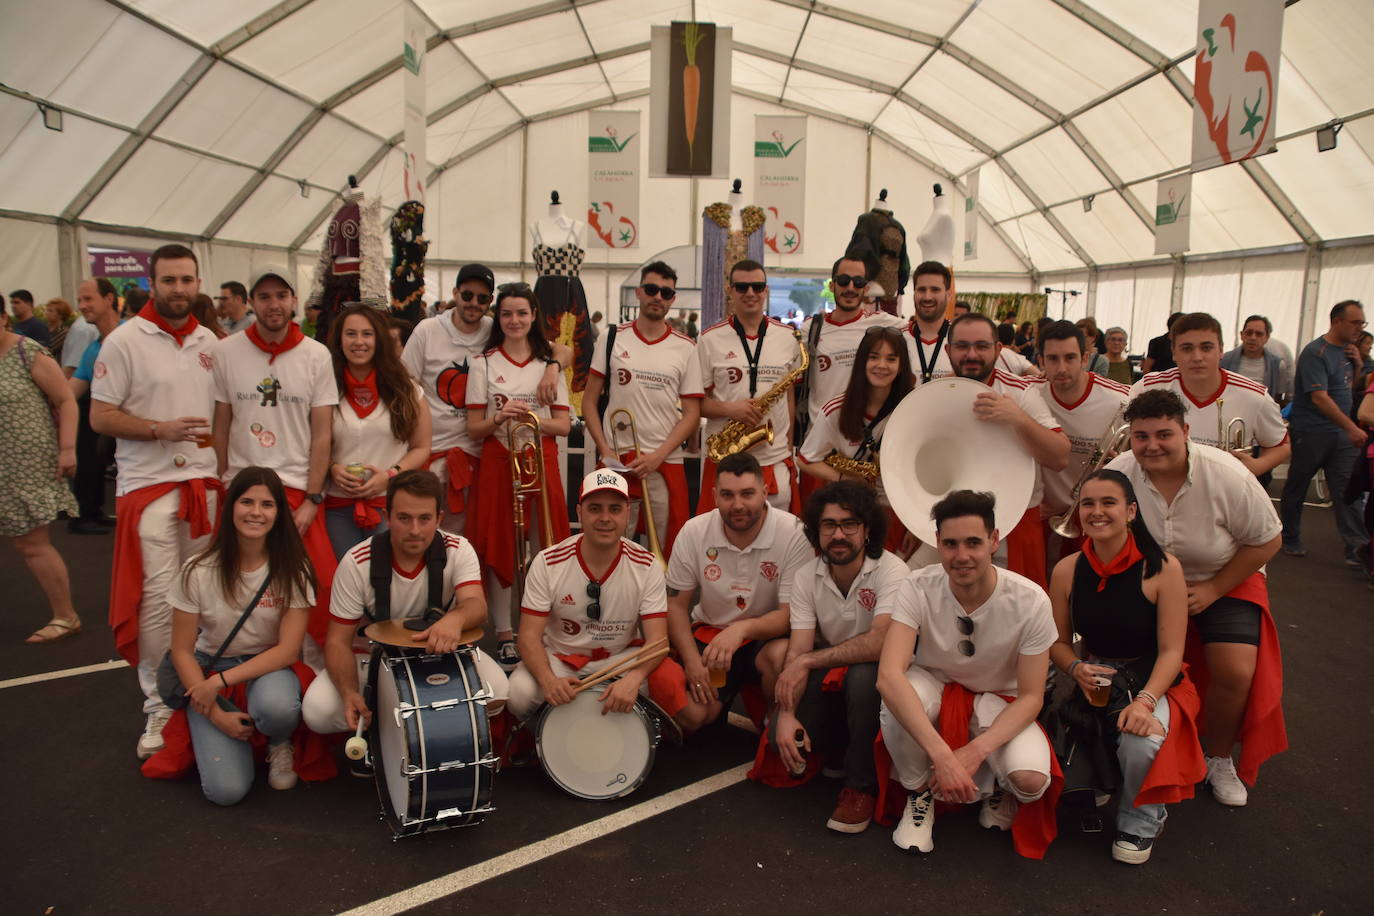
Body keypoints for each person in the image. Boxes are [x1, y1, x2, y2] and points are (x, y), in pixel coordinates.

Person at [1106, 390, 1285, 806]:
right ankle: (1113, 746)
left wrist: (1213, 589)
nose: (1151, 445)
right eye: (1141, 436)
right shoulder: (1118, 472)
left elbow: (1269, 540)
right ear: (1129, 438)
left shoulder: (1228, 474)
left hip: (1222, 577)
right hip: (1149, 581)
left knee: (1236, 670)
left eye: (1163, 434)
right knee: (1112, 659)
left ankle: (1219, 756)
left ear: (1186, 432)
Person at [91, 244, 223, 758]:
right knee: (158, 602)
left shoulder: (211, 340)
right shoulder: (124, 341)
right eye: (169, 281)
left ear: (197, 283)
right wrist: (157, 430)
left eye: (187, 280)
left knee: (204, 596)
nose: (179, 290)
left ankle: (203, 686)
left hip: (205, 489)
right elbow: (100, 416)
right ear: (152, 283)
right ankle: (158, 704)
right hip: (149, 489)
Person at [878, 490, 1057, 856]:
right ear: (938, 544)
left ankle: (1001, 789)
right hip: (936, 686)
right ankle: (919, 795)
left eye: (974, 542)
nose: (962, 556)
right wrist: (943, 756)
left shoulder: (1032, 599)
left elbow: (1032, 696)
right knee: (898, 697)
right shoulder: (917, 584)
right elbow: (888, 676)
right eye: (950, 544)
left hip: (998, 700)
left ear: (994, 541)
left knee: (1031, 781)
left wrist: (973, 752)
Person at [1047, 469, 1200, 864]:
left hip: (1154, 678)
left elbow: (1171, 652)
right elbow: (1058, 644)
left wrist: (1146, 702)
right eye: (1088, 503)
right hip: (1094, 676)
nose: (1097, 512)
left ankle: (1142, 819)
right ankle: (1100, 778)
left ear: (1131, 511)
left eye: (1108, 502)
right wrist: (1076, 669)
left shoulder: (1164, 569)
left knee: (1141, 740)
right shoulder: (1066, 571)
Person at [303, 469, 507, 744]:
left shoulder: (458, 548)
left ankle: (411, 730)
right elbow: (338, 641)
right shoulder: (357, 562)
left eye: (425, 519)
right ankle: (382, 727)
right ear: (387, 517)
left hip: (440, 656)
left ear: (439, 518)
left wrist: (454, 620)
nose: (414, 530)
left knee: (500, 692)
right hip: (375, 660)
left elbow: (476, 605)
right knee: (318, 711)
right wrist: (349, 692)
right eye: (404, 518)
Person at [507, 469, 714, 733]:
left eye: (615, 509)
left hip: (620, 657)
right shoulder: (548, 562)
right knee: (519, 694)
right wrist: (548, 680)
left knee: (682, 699)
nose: (605, 518)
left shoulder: (647, 565)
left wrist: (635, 678)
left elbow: (658, 642)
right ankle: (546, 738)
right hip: (562, 658)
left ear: (627, 513)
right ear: (580, 512)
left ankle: (635, 728)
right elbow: (528, 636)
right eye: (595, 508)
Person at [764, 481, 908, 834]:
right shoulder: (805, 576)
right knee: (776, 738)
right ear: (817, 531)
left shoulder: (892, 570)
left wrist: (807, 662)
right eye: (829, 525)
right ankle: (838, 746)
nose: (838, 534)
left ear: (867, 529)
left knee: (862, 677)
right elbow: (797, 649)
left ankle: (862, 787)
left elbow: (879, 642)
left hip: (879, 674)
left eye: (849, 524)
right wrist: (785, 715)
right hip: (830, 671)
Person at [168, 466, 315, 805]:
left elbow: (288, 651)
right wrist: (215, 713)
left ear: (279, 513)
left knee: (277, 708)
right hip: (208, 667)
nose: (255, 513)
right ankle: (225, 732)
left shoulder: (294, 569)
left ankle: (278, 741)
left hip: (267, 668)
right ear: (230, 506)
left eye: (267, 505)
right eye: (247, 501)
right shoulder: (197, 569)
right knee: (226, 792)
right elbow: (180, 651)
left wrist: (216, 684)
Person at [211, 266, 338, 648]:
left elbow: (322, 434)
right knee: (242, 585)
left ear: (294, 301)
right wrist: (221, 484)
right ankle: (249, 666)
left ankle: (314, 672)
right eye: (264, 297)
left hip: (297, 491)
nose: (273, 305)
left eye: (281, 296)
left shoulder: (317, 355)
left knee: (320, 583)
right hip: (242, 488)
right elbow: (221, 426)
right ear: (251, 302)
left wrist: (314, 498)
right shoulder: (225, 351)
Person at [465, 283, 573, 669]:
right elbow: (474, 428)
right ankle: (506, 634)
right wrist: (499, 417)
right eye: (507, 313)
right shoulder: (484, 364)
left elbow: (563, 425)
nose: (514, 321)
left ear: (533, 316)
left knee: (545, 548)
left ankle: (541, 628)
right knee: (501, 550)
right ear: (500, 317)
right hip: (498, 460)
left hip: (539, 459)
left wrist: (530, 420)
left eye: (522, 313)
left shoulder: (549, 364)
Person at [666, 452, 813, 722]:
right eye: (727, 495)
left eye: (747, 494)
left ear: (765, 491)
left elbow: (790, 614)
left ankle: (773, 721)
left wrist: (740, 629)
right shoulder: (693, 530)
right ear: (714, 495)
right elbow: (675, 605)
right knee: (693, 716)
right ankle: (722, 701)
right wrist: (691, 662)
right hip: (711, 636)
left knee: (780, 656)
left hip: (764, 639)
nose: (738, 505)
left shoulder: (794, 533)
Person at [583, 261, 703, 555]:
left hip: (663, 464)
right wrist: (605, 450)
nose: (658, 297)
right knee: (608, 546)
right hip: (618, 459)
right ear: (638, 292)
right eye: (651, 289)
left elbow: (692, 414)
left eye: (666, 292)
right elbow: (588, 402)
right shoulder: (612, 337)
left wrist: (658, 456)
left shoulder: (686, 346)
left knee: (664, 551)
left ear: (673, 299)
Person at [947, 313, 1070, 587]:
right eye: (962, 346)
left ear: (998, 349)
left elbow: (1060, 456)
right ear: (948, 350)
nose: (971, 354)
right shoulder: (934, 392)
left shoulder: (1020, 392)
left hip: (1016, 520)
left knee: (1023, 609)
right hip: (954, 519)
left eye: (981, 346)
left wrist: (1018, 418)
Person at [324, 304, 431, 558]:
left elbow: (422, 447)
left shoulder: (406, 389)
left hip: (391, 506)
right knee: (344, 582)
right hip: (336, 506)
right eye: (351, 334)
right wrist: (332, 468)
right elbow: (310, 441)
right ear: (339, 339)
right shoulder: (325, 387)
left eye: (367, 334)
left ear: (379, 339)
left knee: (386, 584)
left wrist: (390, 474)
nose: (359, 342)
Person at [1, 301, 79, 643]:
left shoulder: (26, 352)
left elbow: (66, 400)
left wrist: (67, 449)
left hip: (26, 464)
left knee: (32, 543)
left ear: (3, 318)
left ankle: (66, 615)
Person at [1130, 313, 1290, 481]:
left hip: (1222, 495)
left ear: (1221, 350)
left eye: (1206, 348)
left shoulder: (1255, 396)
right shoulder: (1147, 388)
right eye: (1187, 348)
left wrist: (1256, 467)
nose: (1197, 357)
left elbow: (1281, 445)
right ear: (1174, 353)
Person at [698, 259, 803, 514]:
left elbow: (789, 398)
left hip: (774, 458)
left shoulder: (789, 337)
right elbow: (696, 404)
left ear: (766, 290)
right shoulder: (709, 339)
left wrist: (788, 448)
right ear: (730, 290)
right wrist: (731, 409)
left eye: (757, 287)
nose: (750, 293)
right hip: (725, 458)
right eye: (742, 287)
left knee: (778, 538)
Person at [798, 325, 914, 552]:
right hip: (852, 513)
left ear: (901, 367)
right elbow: (804, 459)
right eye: (873, 357)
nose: (882, 365)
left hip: (901, 514)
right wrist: (844, 478)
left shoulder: (913, 408)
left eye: (891, 359)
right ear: (862, 362)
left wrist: (916, 525)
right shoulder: (836, 409)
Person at [1279, 300, 1369, 566]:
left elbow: (1345, 390)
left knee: (1346, 491)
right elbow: (1320, 398)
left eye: (1362, 323)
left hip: (1340, 435)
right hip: (1312, 432)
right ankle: (1291, 537)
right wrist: (1351, 426)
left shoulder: (1349, 352)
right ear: (1337, 321)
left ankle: (1357, 547)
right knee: (1298, 485)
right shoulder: (1315, 353)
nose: (1360, 328)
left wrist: (1359, 367)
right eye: (1355, 322)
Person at [1032, 321, 1130, 551]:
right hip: (1042, 511)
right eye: (1053, 359)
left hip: (1094, 514)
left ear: (1085, 359)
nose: (1062, 368)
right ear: (1041, 361)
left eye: (1070, 358)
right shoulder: (1028, 392)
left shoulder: (1120, 399)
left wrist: (1123, 459)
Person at [67, 278, 122, 534]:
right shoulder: (93, 349)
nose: (82, 305)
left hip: (141, 430)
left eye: (88, 299)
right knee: (90, 454)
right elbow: (68, 393)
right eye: (80, 300)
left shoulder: (134, 335)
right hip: (109, 423)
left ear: (109, 299)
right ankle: (87, 513)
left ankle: (91, 511)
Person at [901, 260, 957, 384]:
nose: (927, 297)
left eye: (935, 290)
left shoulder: (962, 341)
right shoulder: (897, 339)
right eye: (921, 290)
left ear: (949, 294)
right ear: (914, 293)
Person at [1220, 315, 1284, 402]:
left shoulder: (1277, 365)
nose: (1253, 338)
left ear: (1267, 338)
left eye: (1259, 334)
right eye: (1249, 333)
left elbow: (1278, 399)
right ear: (1242, 335)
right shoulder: (1225, 360)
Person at [43, 298, 75, 364]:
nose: (46, 312)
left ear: (60, 315)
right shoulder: (43, 329)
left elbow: (46, 350)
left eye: (50, 311)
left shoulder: (63, 333)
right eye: (46, 310)